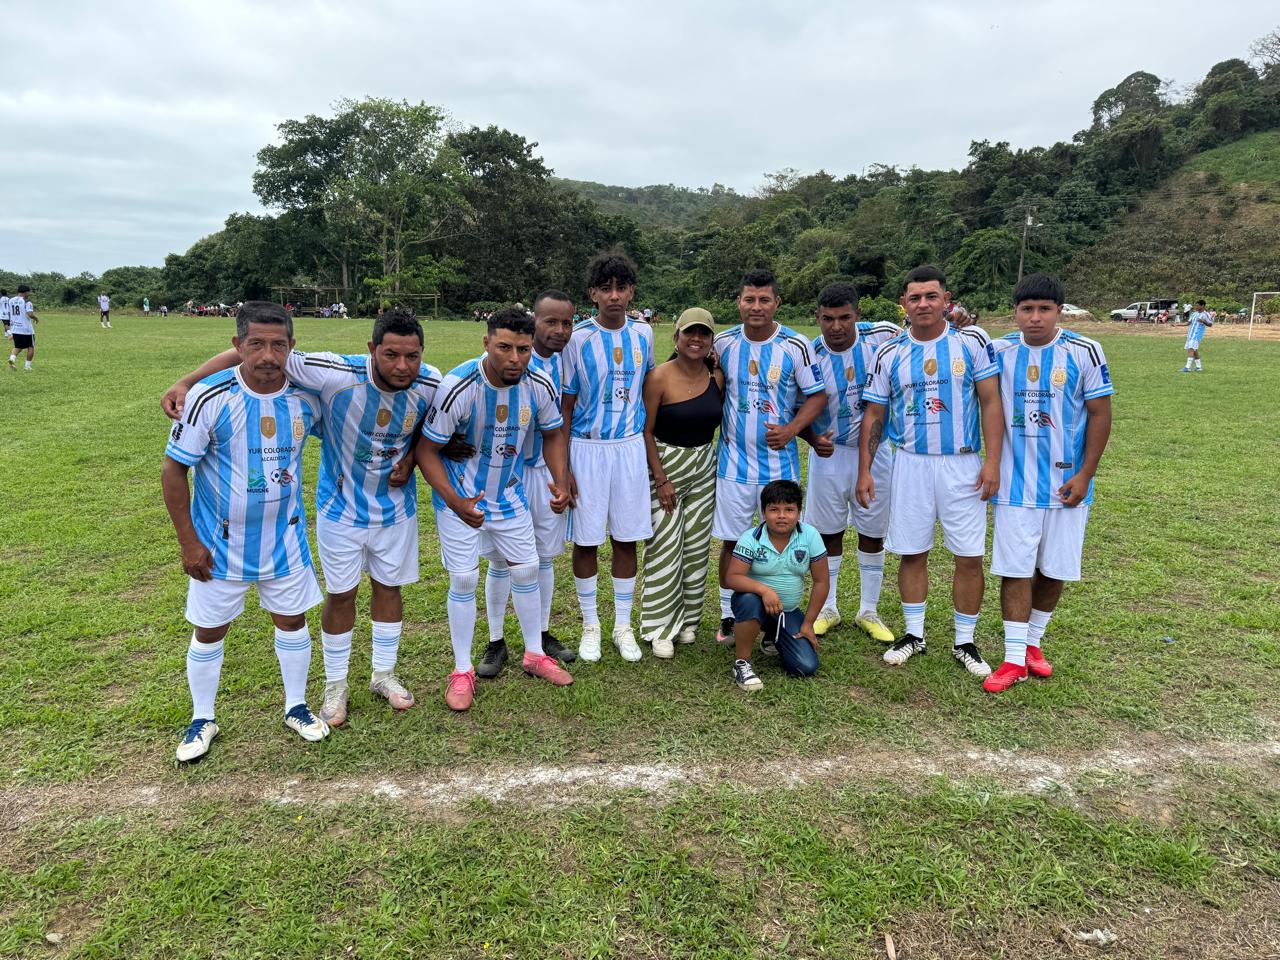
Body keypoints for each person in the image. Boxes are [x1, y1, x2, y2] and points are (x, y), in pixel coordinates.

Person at [162, 308, 444, 727]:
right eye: (390, 355)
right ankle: (335, 685)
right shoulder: (329, 373)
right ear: (372, 350)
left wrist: (412, 456)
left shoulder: (432, 382)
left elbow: (437, 425)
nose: (402, 365)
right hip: (338, 509)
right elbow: (256, 353)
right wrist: (187, 382)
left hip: (394, 508)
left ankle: (383, 675)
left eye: (412, 356)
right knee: (341, 594)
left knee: (388, 588)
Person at [161, 301, 330, 762]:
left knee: (292, 621)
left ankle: (296, 706)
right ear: (238, 345)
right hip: (218, 544)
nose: (268, 355)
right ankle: (202, 717)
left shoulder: (307, 397)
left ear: (292, 347)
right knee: (209, 629)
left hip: (284, 538)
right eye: (256, 344)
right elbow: (174, 471)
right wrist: (189, 542)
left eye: (278, 345)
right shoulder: (208, 398)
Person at [416, 307, 574, 712]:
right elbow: (427, 451)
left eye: (523, 349)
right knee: (464, 579)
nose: (515, 358)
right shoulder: (459, 386)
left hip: (509, 494)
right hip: (460, 499)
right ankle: (461, 671)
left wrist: (560, 479)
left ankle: (534, 654)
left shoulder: (539, 384)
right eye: (504, 347)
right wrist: (455, 501)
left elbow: (553, 434)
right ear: (486, 343)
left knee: (527, 569)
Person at [857, 264, 1003, 677]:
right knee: (912, 550)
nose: (923, 304)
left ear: (946, 300)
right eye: (915, 297)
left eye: (931, 296)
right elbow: (874, 414)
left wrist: (992, 461)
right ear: (903, 303)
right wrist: (865, 470)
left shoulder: (972, 342)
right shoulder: (889, 353)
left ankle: (965, 641)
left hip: (962, 462)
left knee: (969, 555)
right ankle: (914, 634)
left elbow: (991, 402)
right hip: (910, 463)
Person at [985, 274, 1114, 692]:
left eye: (1044, 309)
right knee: (1015, 569)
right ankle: (1012, 659)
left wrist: (1086, 473)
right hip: (1014, 485)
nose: (1035, 317)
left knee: (1054, 568)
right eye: (1027, 309)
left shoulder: (1085, 350)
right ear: (1016, 312)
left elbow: (1100, 414)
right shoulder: (999, 351)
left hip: (1066, 485)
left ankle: (1032, 644)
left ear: (1059, 310)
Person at [712, 268, 827, 644]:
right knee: (732, 542)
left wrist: (792, 429)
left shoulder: (796, 345)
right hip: (733, 464)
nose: (756, 306)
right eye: (749, 299)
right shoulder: (724, 343)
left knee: (781, 542)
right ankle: (730, 614)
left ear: (777, 303)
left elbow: (817, 396)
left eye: (764, 299)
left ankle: (777, 617)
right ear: (739, 302)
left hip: (779, 467)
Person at [561, 250, 655, 662]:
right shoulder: (578, 339)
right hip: (587, 448)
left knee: (626, 537)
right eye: (606, 288)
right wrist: (564, 466)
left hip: (629, 447)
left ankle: (621, 625)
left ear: (632, 292)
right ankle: (590, 626)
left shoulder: (644, 334)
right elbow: (566, 407)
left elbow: (647, 390)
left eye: (621, 287)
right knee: (586, 541)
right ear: (593, 294)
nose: (614, 295)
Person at [481, 291, 578, 675]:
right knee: (501, 560)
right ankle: (496, 640)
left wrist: (563, 474)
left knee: (544, 556)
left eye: (566, 323)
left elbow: (561, 424)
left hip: (546, 473)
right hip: (508, 475)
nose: (559, 330)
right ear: (533, 322)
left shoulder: (566, 359)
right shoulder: (513, 358)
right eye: (550, 322)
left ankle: (540, 633)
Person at [804, 283, 901, 643]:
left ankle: (868, 610)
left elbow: (919, 340)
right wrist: (812, 438)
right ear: (817, 317)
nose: (837, 326)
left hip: (875, 454)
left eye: (845, 317)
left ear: (858, 315)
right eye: (828, 319)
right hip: (828, 455)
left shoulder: (884, 338)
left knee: (872, 532)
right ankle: (828, 608)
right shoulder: (810, 354)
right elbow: (796, 405)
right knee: (827, 532)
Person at [639, 307, 723, 657]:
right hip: (666, 466)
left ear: (711, 341)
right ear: (676, 337)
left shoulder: (716, 376)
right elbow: (645, 431)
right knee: (664, 545)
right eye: (690, 332)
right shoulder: (658, 377)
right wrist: (661, 479)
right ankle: (660, 627)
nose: (696, 339)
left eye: (704, 333)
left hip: (704, 466)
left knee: (696, 547)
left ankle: (688, 620)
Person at [723, 480, 830, 691]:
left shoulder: (810, 536)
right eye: (774, 510)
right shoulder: (751, 538)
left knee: (805, 666)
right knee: (749, 600)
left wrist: (808, 624)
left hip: (787, 611)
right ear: (763, 512)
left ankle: (773, 636)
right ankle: (742, 663)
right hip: (754, 604)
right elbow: (732, 578)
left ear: (799, 512)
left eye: (789, 509)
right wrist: (764, 590)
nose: (782, 516)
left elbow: (821, 581)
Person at [7, 286, 37, 371]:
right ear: (26, 292)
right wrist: (36, 318)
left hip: (15, 328)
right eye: (29, 292)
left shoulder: (11, 300)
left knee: (18, 346)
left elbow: (9, 313)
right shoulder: (27, 302)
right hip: (26, 329)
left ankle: (12, 359)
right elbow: (30, 314)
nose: (29, 294)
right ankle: (27, 366)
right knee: (31, 346)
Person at [1182, 299, 1213, 372]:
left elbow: (1210, 324)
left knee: (1191, 349)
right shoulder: (1194, 314)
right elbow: (1188, 323)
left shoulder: (1206, 314)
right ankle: (1199, 367)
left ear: (1202, 306)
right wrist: (1177, 325)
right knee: (1194, 350)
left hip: (1196, 335)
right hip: (1190, 334)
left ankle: (1187, 367)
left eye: (1198, 305)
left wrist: (1203, 321)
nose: (1196, 307)